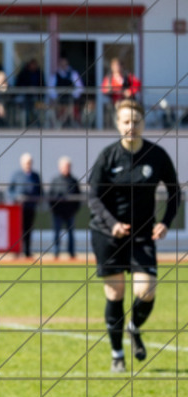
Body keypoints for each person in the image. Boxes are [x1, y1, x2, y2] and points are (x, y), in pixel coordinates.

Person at [87, 99, 180, 373]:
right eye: (126, 121)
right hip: (108, 235)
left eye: (136, 121)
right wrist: (112, 224)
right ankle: (117, 355)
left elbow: (174, 192)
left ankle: (134, 326)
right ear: (118, 124)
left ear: (143, 123)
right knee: (115, 293)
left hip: (142, 235)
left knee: (146, 291)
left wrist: (165, 222)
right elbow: (93, 197)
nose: (131, 126)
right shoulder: (108, 157)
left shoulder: (157, 155)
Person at [8, 153, 43, 258]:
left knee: (28, 229)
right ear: (22, 163)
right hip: (18, 209)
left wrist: (36, 199)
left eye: (29, 162)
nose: (28, 164)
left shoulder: (35, 176)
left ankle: (27, 251)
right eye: (26, 163)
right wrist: (17, 197)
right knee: (18, 229)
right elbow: (9, 191)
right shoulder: (16, 175)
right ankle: (16, 251)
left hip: (30, 207)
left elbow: (40, 191)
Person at [48, 156, 82, 259]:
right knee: (56, 233)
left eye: (68, 166)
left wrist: (74, 209)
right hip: (57, 212)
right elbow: (50, 196)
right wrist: (54, 209)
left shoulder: (73, 181)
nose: (66, 168)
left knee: (71, 234)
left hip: (70, 212)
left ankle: (71, 252)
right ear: (60, 167)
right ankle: (56, 252)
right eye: (64, 166)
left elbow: (78, 197)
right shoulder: (55, 180)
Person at [48, 57, 83, 128]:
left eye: (65, 64)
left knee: (69, 109)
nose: (63, 66)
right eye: (62, 64)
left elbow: (79, 87)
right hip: (59, 100)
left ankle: (69, 124)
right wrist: (56, 97)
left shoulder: (73, 74)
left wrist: (73, 95)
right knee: (54, 110)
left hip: (70, 100)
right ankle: (59, 124)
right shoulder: (55, 75)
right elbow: (50, 89)